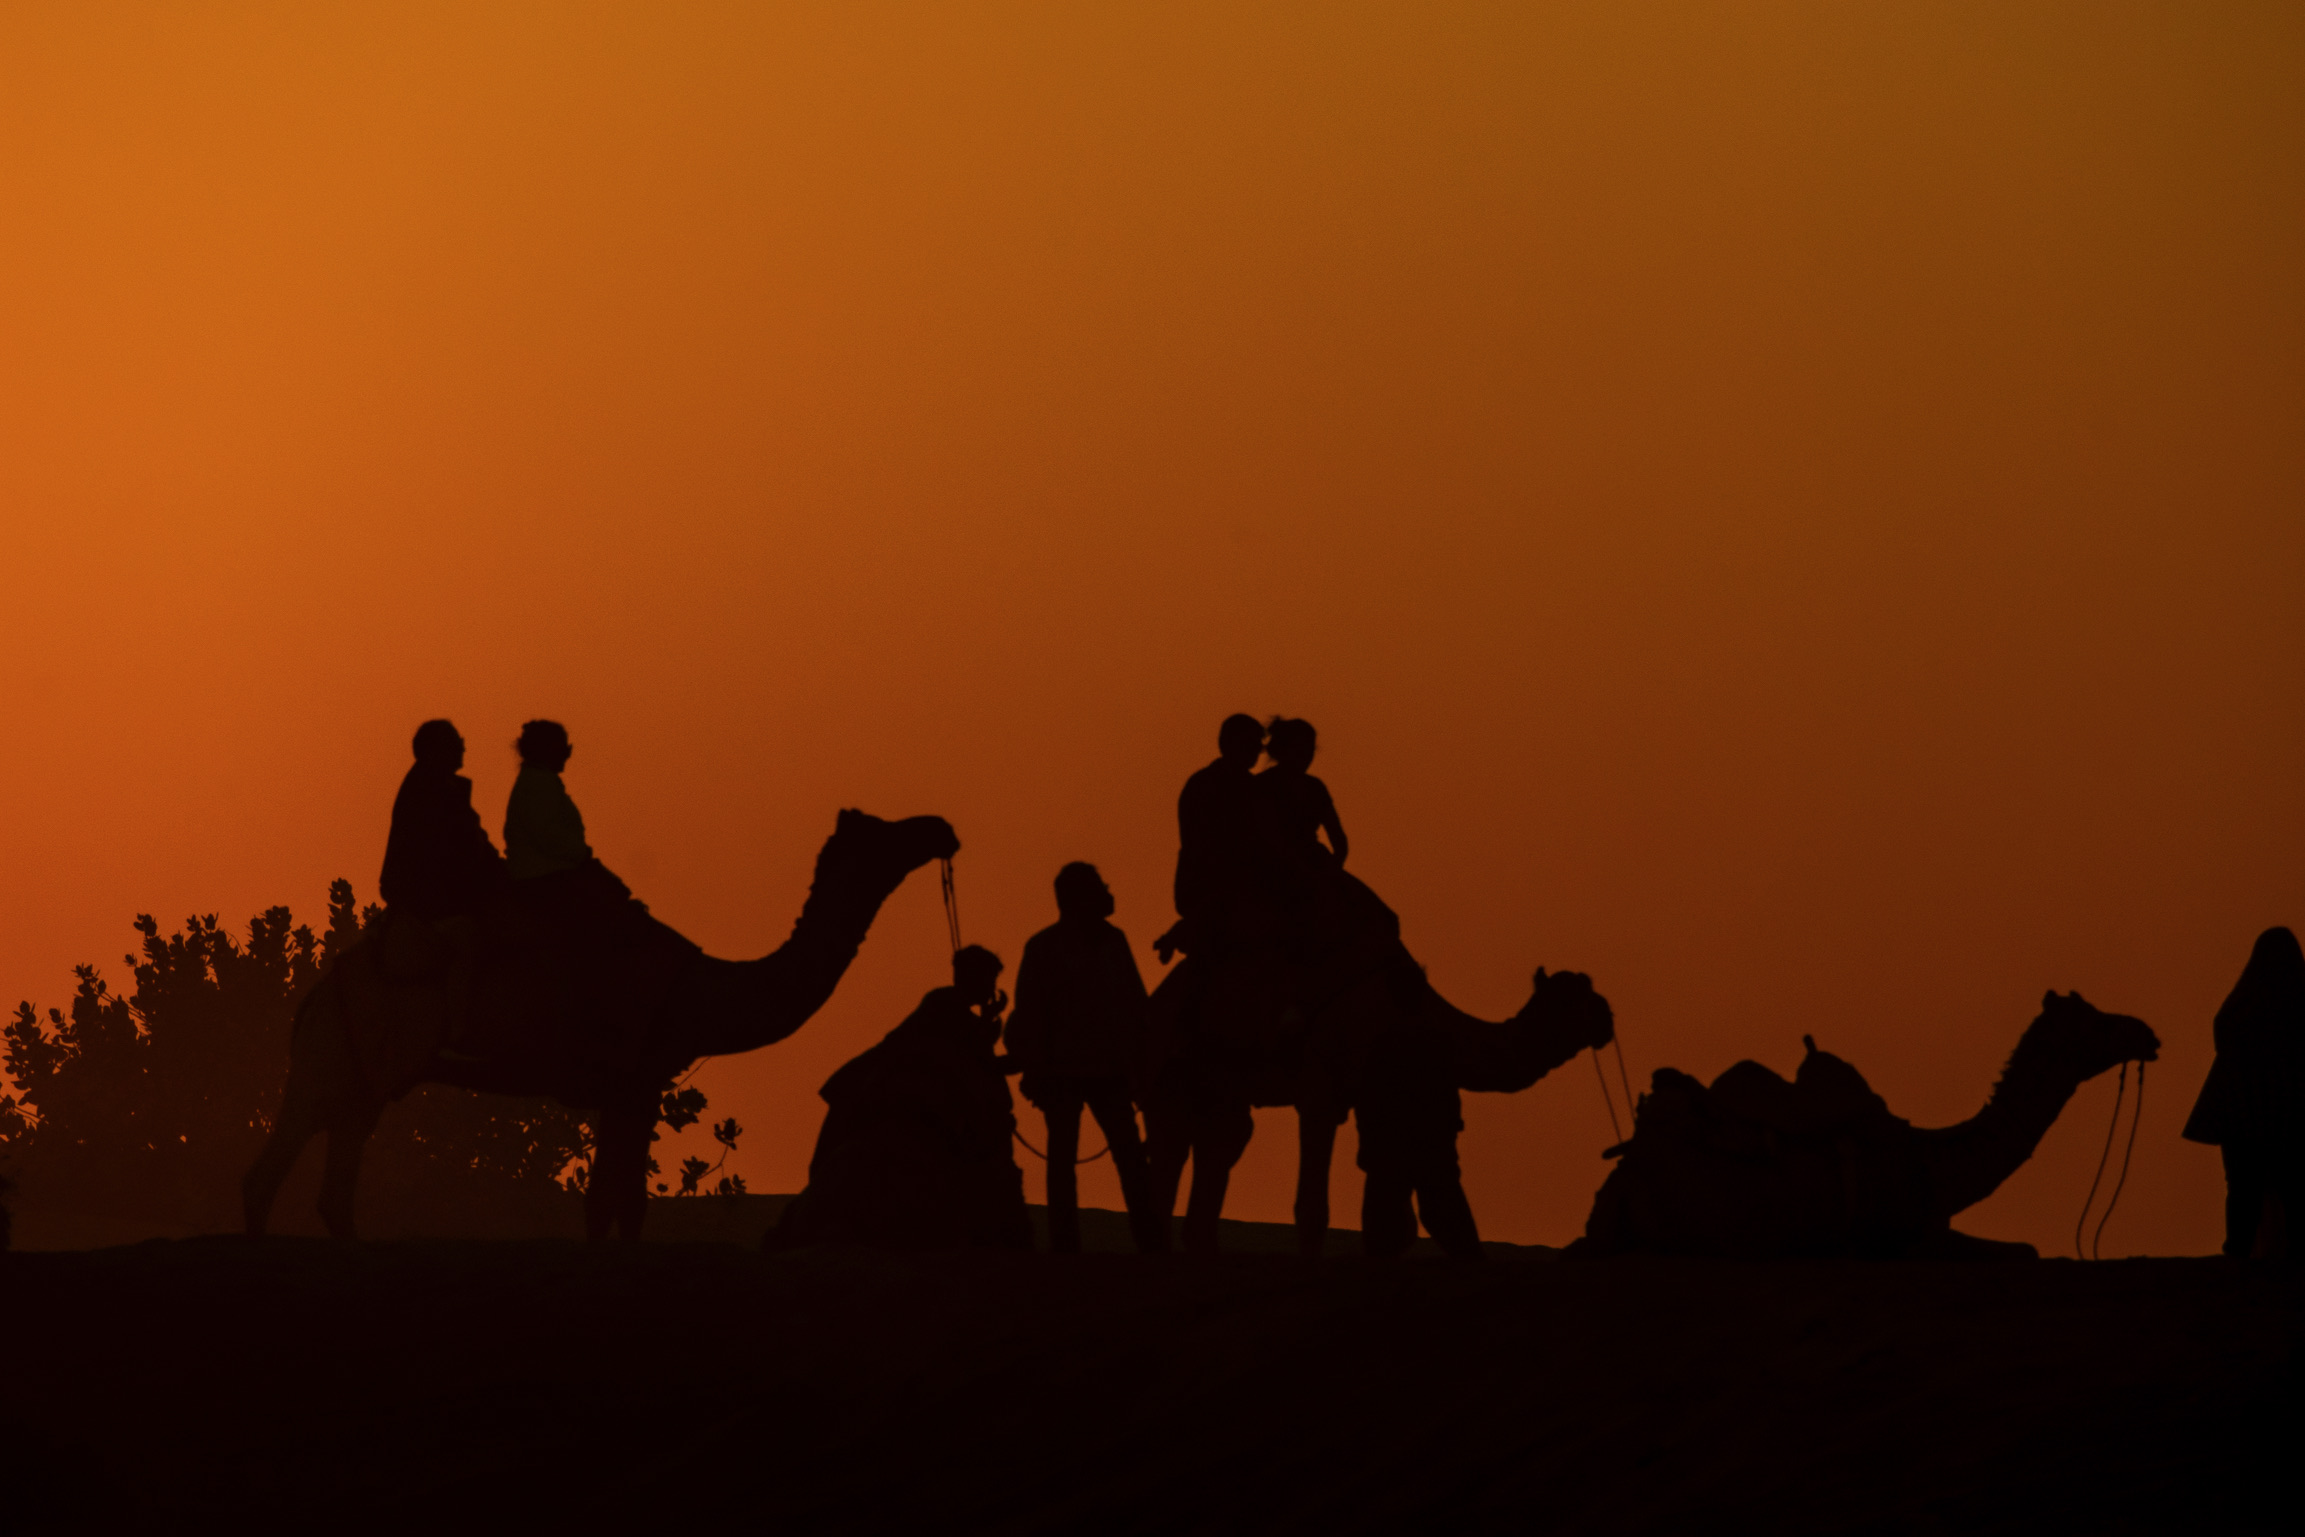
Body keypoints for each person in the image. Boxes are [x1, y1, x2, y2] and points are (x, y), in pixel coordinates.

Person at [774, 945, 1033, 1251]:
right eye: (988, 979)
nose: (991, 987)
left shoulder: (950, 1008)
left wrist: (986, 1022)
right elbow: (979, 1057)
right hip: (889, 1086)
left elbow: (972, 1051)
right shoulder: (945, 1006)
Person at [1006, 863, 1164, 1253]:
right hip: (1066, 1073)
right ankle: (1069, 1246)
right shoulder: (1049, 948)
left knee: (1124, 1159)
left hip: (1106, 1072)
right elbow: (1033, 1015)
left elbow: (1134, 1009)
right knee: (1071, 1161)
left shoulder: (1108, 943)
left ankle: (1148, 1242)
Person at [2182, 926, 2304, 1259]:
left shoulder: (2240, 1007)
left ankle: (2239, 1252)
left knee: (2243, 1187)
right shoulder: (2293, 1009)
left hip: (2243, 1115)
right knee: (2287, 1184)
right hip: (2283, 1114)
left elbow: (2223, 1037)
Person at [1155, 714, 1266, 964]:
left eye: (1257, 746)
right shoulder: (1209, 786)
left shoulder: (1246, 787)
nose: (1255, 752)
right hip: (1212, 883)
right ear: (1227, 744)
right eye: (1249, 745)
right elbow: (1206, 844)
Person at [378, 719, 505, 921]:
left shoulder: (438, 786)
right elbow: (459, 847)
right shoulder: (430, 792)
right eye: (455, 743)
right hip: (433, 892)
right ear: (435, 751)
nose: (462, 748)